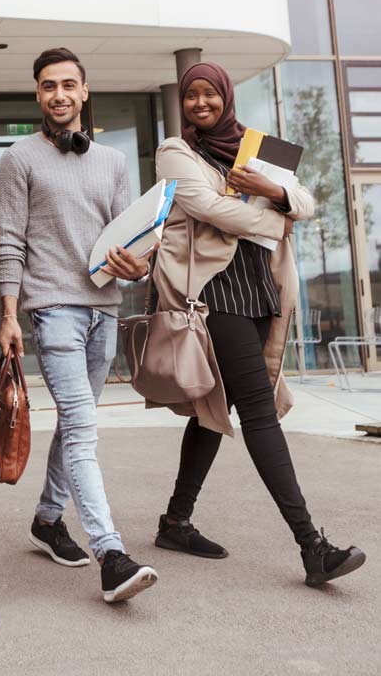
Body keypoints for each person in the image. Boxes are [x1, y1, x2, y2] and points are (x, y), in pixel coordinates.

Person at [151, 61, 366, 586]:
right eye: (191, 95)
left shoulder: (259, 146)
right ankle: (311, 546)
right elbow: (210, 209)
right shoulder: (176, 152)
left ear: (226, 96)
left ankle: (175, 520)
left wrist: (272, 189)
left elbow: (308, 201)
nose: (201, 103)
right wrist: (277, 214)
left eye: (210, 94)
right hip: (214, 297)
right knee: (257, 411)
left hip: (261, 294)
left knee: (212, 411)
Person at [0, 47, 159, 604]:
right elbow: (9, 243)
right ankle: (111, 553)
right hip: (53, 310)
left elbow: (131, 235)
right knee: (84, 426)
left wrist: (141, 264)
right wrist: (10, 314)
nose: (58, 94)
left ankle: (46, 519)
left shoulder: (112, 161)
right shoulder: (19, 159)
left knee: (73, 424)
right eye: (47, 86)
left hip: (103, 310)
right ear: (38, 95)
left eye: (68, 84)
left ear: (84, 92)